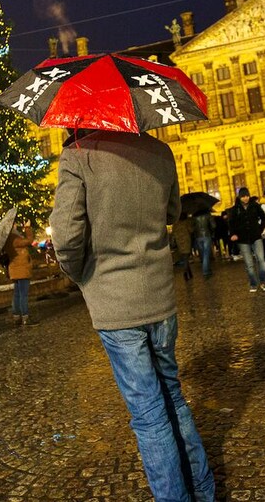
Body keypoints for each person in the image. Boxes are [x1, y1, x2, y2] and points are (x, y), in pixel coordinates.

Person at [49, 129, 215, 501]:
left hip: (114, 302)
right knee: (172, 394)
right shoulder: (160, 150)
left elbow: (65, 237)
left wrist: (82, 276)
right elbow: (173, 212)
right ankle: (203, 489)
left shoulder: (78, 155)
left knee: (148, 413)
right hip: (159, 295)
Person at [228, 187, 265, 292]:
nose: (245, 198)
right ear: (239, 197)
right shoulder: (235, 209)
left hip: (256, 237)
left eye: (247, 195)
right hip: (242, 239)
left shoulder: (254, 206)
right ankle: (253, 283)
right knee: (249, 263)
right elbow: (231, 223)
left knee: (261, 260)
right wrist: (233, 234)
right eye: (243, 196)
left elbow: (264, 217)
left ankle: (263, 282)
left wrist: (260, 229)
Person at [5, 221, 39, 325]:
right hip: (21, 269)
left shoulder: (7, 238)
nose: (16, 224)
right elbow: (29, 241)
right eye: (14, 223)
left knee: (17, 294)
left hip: (15, 269)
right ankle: (25, 317)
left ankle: (16, 316)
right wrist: (27, 228)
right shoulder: (13, 238)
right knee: (23, 294)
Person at [191, 209, 216, 278]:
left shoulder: (194, 216)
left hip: (198, 236)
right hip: (206, 235)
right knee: (206, 254)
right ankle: (206, 271)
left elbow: (192, 228)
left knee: (202, 254)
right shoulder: (208, 215)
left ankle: (207, 268)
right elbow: (214, 225)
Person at [171, 215, 194, 281]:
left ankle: (190, 273)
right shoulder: (186, 223)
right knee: (186, 258)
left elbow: (173, 235)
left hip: (179, 243)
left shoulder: (175, 225)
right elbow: (191, 230)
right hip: (186, 242)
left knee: (185, 258)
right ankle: (185, 273)